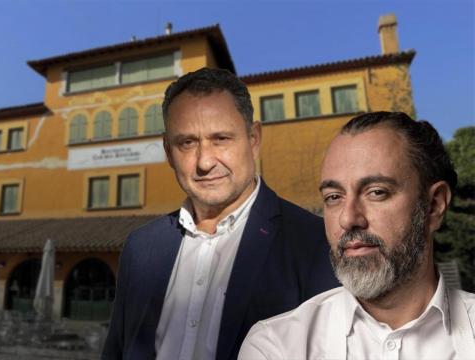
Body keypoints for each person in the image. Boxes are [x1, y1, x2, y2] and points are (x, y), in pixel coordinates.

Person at [102, 68, 339, 360]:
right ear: (167, 151)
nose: (204, 162)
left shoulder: (314, 244)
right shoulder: (141, 248)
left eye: (221, 139)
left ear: (253, 139)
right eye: (187, 142)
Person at [239, 112, 475, 359]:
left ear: (434, 205)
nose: (348, 219)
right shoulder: (276, 346)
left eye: (376, 192)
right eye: (334, 197)